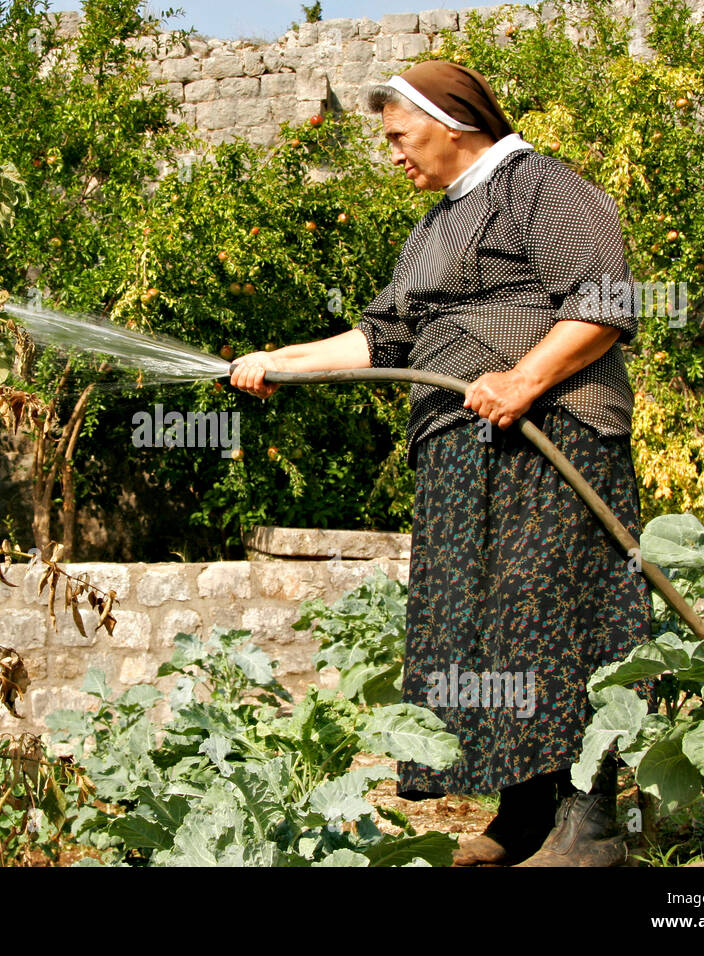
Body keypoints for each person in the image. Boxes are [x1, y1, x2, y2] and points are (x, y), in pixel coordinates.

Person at [229, 60, 651, 867]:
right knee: (486, 632)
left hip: (549, 437)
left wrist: (526, 378)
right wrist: (276, 360)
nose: (392, 153)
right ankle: (526, 814)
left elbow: (605, 300)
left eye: (398, 134)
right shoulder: (433, 227)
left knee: (555, 616)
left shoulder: (542, 187)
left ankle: (592, 826)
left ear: (452, 122)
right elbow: (380, 340)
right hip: (460, 452)